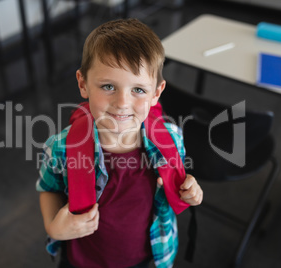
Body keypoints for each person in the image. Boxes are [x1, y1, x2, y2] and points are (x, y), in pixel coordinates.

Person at [36, 18, 203, 268]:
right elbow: (48, 187)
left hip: (149, 256)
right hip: (82, 259)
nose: (122, 103)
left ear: (156, 93)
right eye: (108, 86)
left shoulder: (172, 138)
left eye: (138, 90)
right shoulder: (61, 147)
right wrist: (53, 227)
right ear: (83, 84)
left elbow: (180, 183)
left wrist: (192, 192)